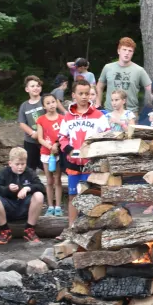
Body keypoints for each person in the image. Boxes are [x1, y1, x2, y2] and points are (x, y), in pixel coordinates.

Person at [59, 79, 109, 227]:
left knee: (91, 196)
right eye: (80, 93)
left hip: (92, 164)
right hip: (73, 164)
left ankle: (90, 228)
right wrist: (69, 150)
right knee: (73, 196)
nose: (84, 97)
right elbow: (62, 137)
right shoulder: (67, 116)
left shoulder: (98, 115)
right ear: (74, 95)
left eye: (87, 93)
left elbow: (107, 135)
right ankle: (72, 227)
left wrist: (97, 150)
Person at [0, 147, 45, 245]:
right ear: (10, 163)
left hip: (24, 206)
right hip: (8, 207)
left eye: (23, 164)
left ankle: (29, 229)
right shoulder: (4, 173)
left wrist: (27, 188)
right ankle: (5, 230)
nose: (20, 167)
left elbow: (41, 187)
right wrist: (7, 189)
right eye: (17, 164)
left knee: (39, 195)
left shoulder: (29, 172)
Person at [97, 37, 152, 114]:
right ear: (118, 51)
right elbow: (99, 86)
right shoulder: (108, 67)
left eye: (130, 51)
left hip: (130, 113)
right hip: (109, 112)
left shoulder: (139, 70)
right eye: (124, 50)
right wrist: (98, 103)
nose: (127, 53)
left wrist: (152, 105)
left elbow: (150, 89)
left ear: (133, 53)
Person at [36, 94, 65, 217]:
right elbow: (40, 138)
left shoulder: (62, 119)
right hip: (46, 153)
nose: (51, 105)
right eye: (48, 103)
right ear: (44, 106)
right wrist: (50, 147)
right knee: (49, 180)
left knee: (57, 179)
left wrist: (57, 146)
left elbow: (64, 135)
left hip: (58, 152)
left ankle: (58, 206)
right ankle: (50, 206)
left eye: (53, 102)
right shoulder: (41, 119)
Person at [17, 75, 47, 173]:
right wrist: (32, 133)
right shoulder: (24, 105)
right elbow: (22, 123)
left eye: (38, 86)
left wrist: (40, 133)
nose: (35, 88)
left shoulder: (45, 101)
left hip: (46, 139)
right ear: (27, 89)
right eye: (32, 86)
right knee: (30, 167)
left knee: (47, 165)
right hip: (30, 141)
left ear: (41, 88)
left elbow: (51, 116)